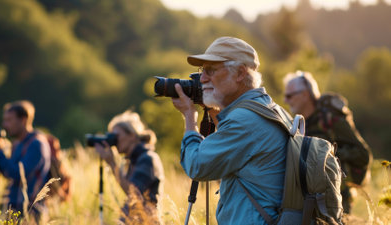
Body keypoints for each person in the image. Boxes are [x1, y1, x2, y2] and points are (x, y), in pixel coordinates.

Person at [171, 36, 288, 224]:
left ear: (240, 73)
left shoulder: (244, 121)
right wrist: (213, 109)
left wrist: (189, 116)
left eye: (210, 70)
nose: (202, 78)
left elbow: (197, 166)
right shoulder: (269, 109)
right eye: (202, 70)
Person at [283, 70, 372, 214]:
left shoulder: (330, 120)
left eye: (289, 95)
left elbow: (363, 155)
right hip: (308, 198)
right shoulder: (296, 124)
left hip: (338, 200)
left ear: (305, 95)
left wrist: (327, 155)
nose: (286, 100)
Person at [0, 100, 51, 221]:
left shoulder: (36, 144)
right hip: (15, 209)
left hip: (31, 211)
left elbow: (17, 173)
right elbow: (7, 172)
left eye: (9, 120)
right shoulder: (18, 144)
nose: (5, 125)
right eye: (4, 120)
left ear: (23, 120)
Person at [94, 110, 164, 221]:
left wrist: (112, 164)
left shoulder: (147, 159)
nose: (114, 141)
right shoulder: (131, 161)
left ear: (132, 135)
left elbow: (134, 193)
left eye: (116, 136)